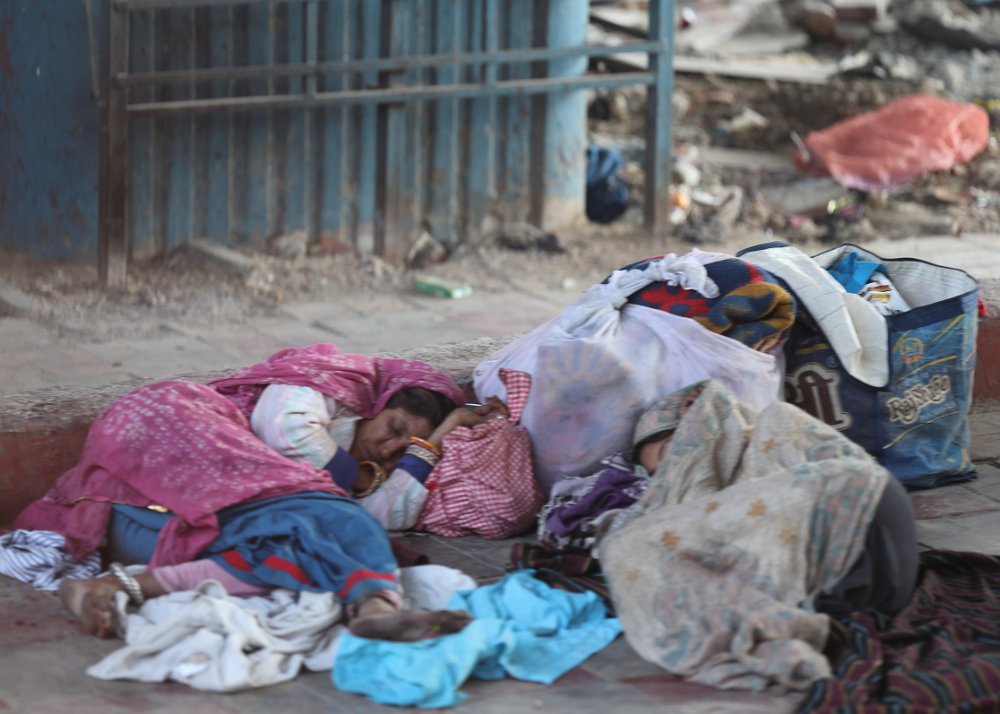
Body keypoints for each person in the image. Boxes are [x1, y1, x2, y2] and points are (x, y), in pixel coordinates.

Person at [11, 343, 504, 641]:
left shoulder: (311, 488)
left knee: (308, 541)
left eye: (403, 448)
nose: (388, 447)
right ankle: (375, 604)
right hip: (165, 427)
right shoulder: (323, 386)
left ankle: (110, 588)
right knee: (334, 519)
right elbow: (284, 426)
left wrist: (430, 446)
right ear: (373, 403)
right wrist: (352, 477)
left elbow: (389, 514)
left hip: (153, 527)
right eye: (393, 428)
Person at [600, 379, 919, 691]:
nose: (668, 476)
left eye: (672, 451)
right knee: (636, 544)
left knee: (629, 545)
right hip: (868, 575)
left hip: (862, 515)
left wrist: (699, 423)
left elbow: (689, 492)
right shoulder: (752, 495)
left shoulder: (774, 427)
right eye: (657, 475)